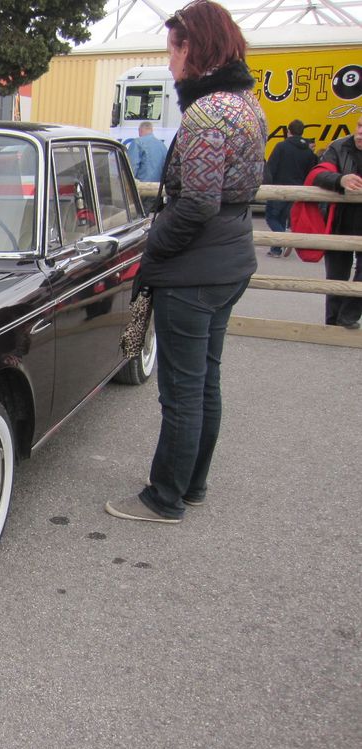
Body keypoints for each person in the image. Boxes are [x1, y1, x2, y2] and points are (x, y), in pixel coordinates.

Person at [105, 0, 266, 524]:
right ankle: (193, 484)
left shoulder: (205, 112)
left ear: (192, 47)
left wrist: (154, 248)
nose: (169, 61)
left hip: (195, 269)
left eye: (172, 49)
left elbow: (196, 201)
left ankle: (165, 496)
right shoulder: (247, 104)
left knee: (181, 390)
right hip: (232, 257)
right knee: (206, 380)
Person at [311, 115, 362, 330]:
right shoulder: (339, 146)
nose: (360, 132)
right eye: (360, 126)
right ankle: (332, 323)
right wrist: (340, 180)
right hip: (339, 222)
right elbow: (318, 174)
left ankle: (348, 316)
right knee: (335, 277)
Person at [264, 119, 318, 256]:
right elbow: (310, 172)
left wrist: (267, 185)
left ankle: (284, 240)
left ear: (288, 131)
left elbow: (271, 167)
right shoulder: (308, 152)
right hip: (297, 190)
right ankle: (275, 249)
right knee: (282, 218)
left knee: (271, 217)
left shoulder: (281, 146)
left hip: (279, 189)